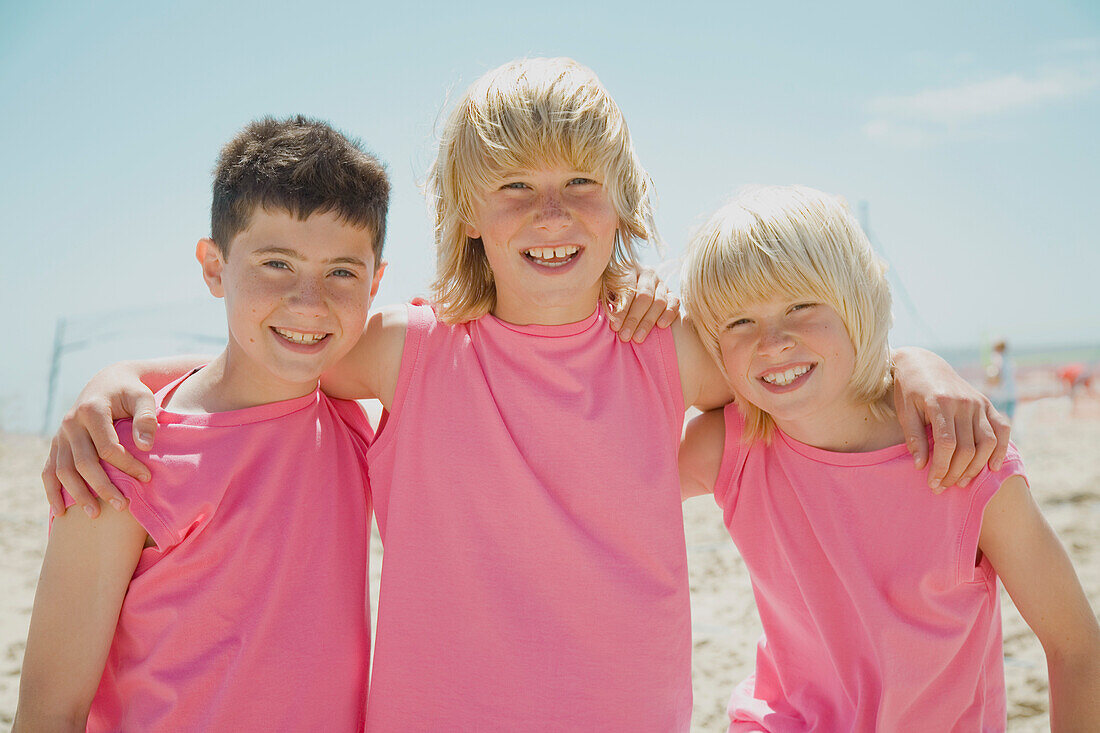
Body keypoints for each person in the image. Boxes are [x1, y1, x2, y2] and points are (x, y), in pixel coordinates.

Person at [43, 60, 1010, 729]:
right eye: (513, 186)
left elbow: (805, 360)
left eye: (582, 181)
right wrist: (119, 381)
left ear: (623, 200)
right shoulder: (409, 353)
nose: (551, 213)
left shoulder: (673, 350)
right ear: (467, 213)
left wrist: (919, 365)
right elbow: (273, 354)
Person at [678, 185, 1100, 731]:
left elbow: (1076, 648)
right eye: (739, 322)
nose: (772, 342)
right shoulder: (730, 447)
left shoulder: (964, 458)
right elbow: (600, 467)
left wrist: (909, 360)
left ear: (856, 303)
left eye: (801, 305)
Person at [15, 117, 390, 730]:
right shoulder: (125, 453)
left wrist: (125, 367)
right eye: (276, 264)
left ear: (376, 282)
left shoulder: (349, 421)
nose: (309, 302)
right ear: (214, 267)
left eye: (342, 272)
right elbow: (49, 713)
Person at [986, 338, 1017, 421]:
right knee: (1009, 417)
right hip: (1010, 392)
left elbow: (995, 374)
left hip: (999, 393)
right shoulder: (1009, 359)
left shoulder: (996, 358)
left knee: (994, 416)